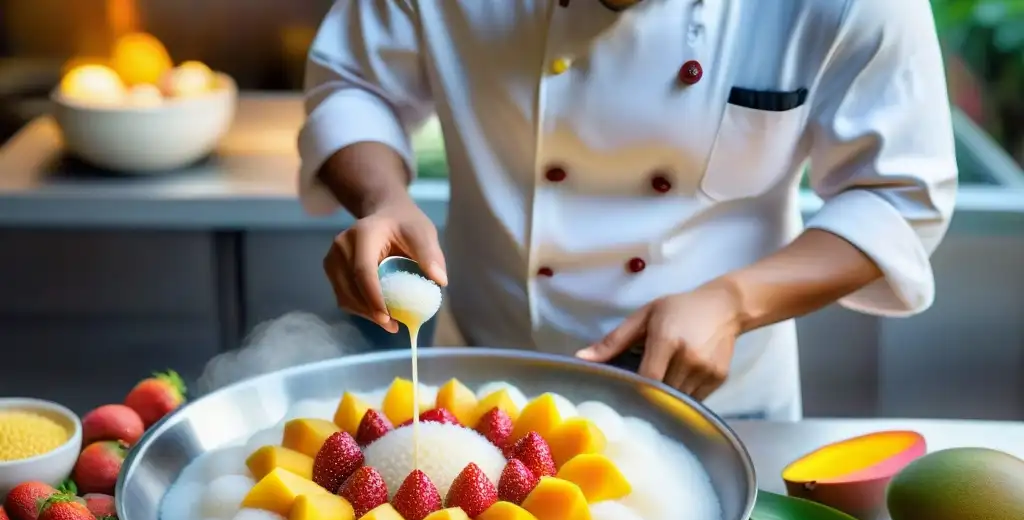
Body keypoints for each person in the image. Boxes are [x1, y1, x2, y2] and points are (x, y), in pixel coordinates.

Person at [298, 0, 957, 421]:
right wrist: (383, 198)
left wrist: (735, 300)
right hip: (483, 383)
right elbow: (354, 82)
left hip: (721, 406)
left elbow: (899, 194)